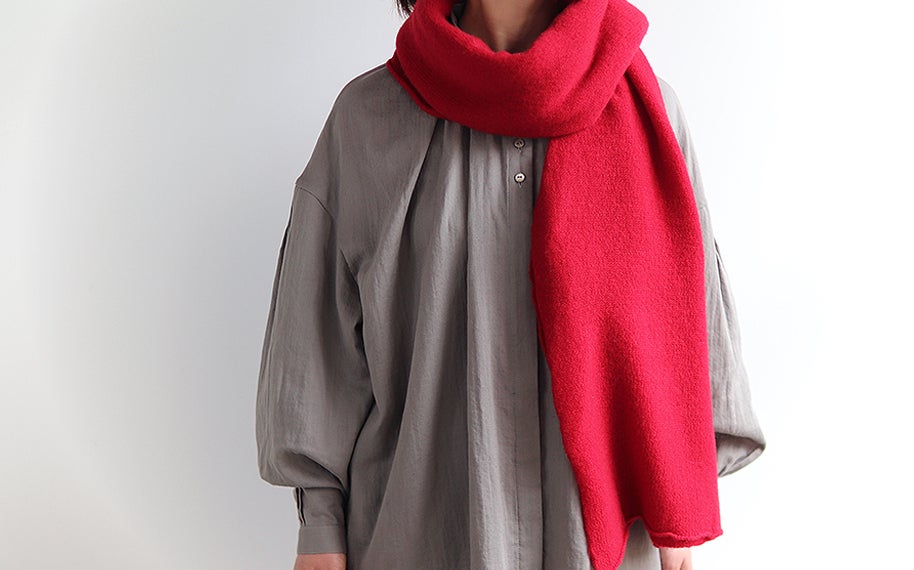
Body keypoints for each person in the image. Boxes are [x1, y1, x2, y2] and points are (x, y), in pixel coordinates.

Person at [255, 0, 766, 569]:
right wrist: (320, 528)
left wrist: (678, 502)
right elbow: (316, 346)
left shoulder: (652, 113)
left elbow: (692, 328)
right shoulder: (367, 119)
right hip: (421, 539)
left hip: (606, 546)